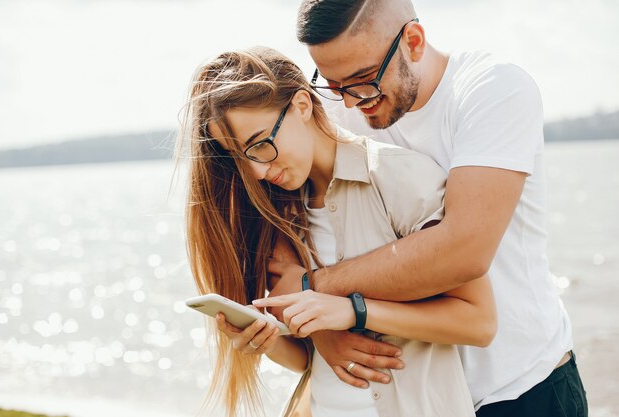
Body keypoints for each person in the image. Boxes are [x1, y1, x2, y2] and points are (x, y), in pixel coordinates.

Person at [264, 0, 588, 416]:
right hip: (422, 400)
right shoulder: (342, 104)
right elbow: (277, 231)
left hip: (523, 387)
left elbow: (463, 251)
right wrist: (322, 333)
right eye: (332, 84)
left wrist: (318, 292)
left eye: (363, 80)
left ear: (413, 42)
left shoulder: (492, 90)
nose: (348, 103)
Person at [177, 46, 497, 417]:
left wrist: (353, 312)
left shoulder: (398, 178)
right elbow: (307, 361)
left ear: (302, 105)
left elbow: (479, 322)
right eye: (241, 159)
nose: (258, 172)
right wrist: (265, 340)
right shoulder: (279, 215)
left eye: (260, 145)